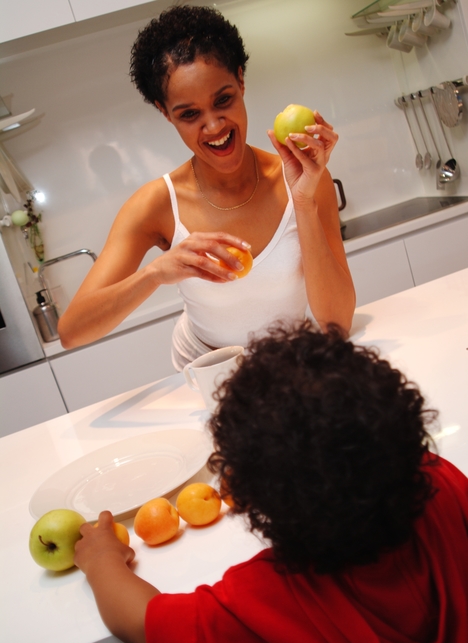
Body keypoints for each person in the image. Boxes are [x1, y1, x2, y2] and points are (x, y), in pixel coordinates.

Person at [75, 321, 468, 643]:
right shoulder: (445, 487)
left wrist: (100, 560)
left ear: (247, 495)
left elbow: (144, 626)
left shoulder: (264, 604)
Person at [58, 5, 355, 370]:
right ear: (165, 113)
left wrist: (304, 200)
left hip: (293, 362)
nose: (214, 126)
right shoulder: (157, 204)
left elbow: (337, 324)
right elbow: (72, 331)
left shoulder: (303, 178)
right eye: (189, 114)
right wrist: (156, 273)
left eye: (223, 100)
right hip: (208, 372)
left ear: (241, 80)